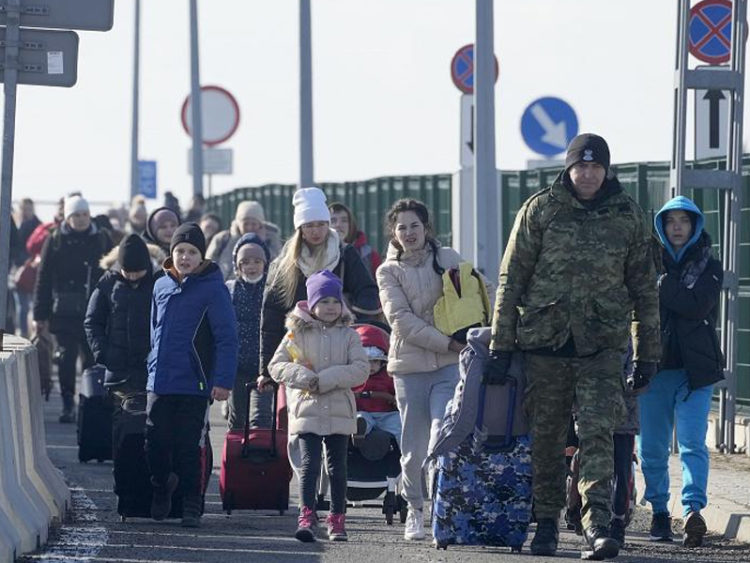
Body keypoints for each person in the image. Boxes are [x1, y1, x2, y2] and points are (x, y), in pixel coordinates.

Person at [486, 133, 660, 559]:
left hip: (601, 347)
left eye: (595, 167)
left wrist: (648, 353)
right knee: (546, 440)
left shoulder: (628, 216)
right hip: (545, 344)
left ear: (607, 170)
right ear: (567, 169)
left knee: (598, 434)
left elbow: (644, 289)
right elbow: (512, 280)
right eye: (580, 167)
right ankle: (545, 523)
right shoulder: (540, 209)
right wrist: (500, 345)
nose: (587, 174)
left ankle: (598, 525)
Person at [376, 198, 465, 541]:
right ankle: (415, 508)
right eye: (402, 227)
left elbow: (478, 294)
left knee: (444, 435)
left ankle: (444, 509)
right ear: (394, 233)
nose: (409, 233)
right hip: (410, 368)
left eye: (415, 225)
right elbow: (402, 321)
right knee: (413, 446)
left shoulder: (448, 259)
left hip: (448, 366)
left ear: (427, 228)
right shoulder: (387, 271)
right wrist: (447, 342)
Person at [637, 195, 724, 548]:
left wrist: (662, 285)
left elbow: (696, 305)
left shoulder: (709, 265)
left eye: (684, 221)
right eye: (670, 220)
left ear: (694, 226)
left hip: (695, 372)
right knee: (653, 448)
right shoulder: (644, 265)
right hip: (653, 370)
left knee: (692, 444)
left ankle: (692, 511)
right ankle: (660, 510)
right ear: (661, 226)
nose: (676, 227)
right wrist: (665, 287)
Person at [146, 223, 238, 528]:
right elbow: (154, 331)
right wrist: (150, 366)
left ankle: (190, 503)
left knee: (189, 447)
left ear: (201, 256)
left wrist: (222, 381)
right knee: (154, 442)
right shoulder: (161, 285)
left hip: (195, 383)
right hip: (160, 381)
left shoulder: (214, 288)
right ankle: (160, 486)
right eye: (180, 251)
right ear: (172, 253)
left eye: (192, 252)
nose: (185, 257)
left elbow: (226, 337)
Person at [267, 270, 369, 542]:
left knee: (337, 467)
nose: (330, 308)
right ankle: (307, 515)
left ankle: (337, 518)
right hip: (307, 408)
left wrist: (326, 379)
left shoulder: (349, 335)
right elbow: (276, 366)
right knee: (309, 465)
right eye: (324, 302)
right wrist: (304, 378)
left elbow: (361, 369)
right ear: (311, 304)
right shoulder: (295, 334)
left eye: (335, 302)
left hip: (338, 408)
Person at [259, 187, 380, 386]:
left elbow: (367, 292)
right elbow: (271, 316)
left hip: (338, 349)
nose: (316, 231)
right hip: (299, 353)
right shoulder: (285, 264)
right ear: (300, 229)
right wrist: (265, 370)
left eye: (321, 224)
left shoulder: (344, 254)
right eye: (309, 225)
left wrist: (352, 323)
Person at [33, 195, 114, 423]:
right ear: (67, 217)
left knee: (91, 360)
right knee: (66, 358)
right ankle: (68, 402)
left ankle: (88, 402)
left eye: (84, 215)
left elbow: (113, 274)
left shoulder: (101, 238)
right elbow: (44, 277)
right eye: (76, 215)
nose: (81, 219)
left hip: (95, 309)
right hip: (64, 312)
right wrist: (40, 314)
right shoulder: (56, 239)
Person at [84, 234, 154, 398]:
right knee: (123, 418)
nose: (133, 277)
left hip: (150, 369)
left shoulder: (158, 282)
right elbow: (92, 321)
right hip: (118, 371)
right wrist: (103, 353)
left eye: (138, 272)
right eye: (128, 272)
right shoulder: (107, 283)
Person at [225, 233, 272, 430]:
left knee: (261, 418)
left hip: (264, 365)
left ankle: (261, 457)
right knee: (237, 417)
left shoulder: (272, 289)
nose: (251, 267)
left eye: (256, 261)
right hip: (238, 365)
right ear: (238, 266)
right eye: (245, 262)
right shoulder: (230, 289)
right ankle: (235, 457)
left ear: (265, 263)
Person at [351, 323, 401, 447]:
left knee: (399, 423)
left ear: (382, 363)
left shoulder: (388, 376)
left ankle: (406, 451)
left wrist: (395, 399)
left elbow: (396, 392)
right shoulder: (353, 377)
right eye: (366, 362)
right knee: (360, 418)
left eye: (375, 362)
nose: (371, 367)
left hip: (385, 414)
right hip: (363, 411)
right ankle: (358, 433)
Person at [206, 200, 282, 279]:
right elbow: (208, 266)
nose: (249, 227)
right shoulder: (222, 239)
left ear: (260, 224)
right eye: (246, 224)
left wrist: (263, 243)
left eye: (253, 224)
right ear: (238, 223)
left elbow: (277, 267)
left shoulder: (271, 240)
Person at [329, 202, 381, 278]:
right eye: (333, 221)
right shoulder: (315, 252)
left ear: (351, 225)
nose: (338, 225)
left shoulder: (369, 255)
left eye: (344, 220)